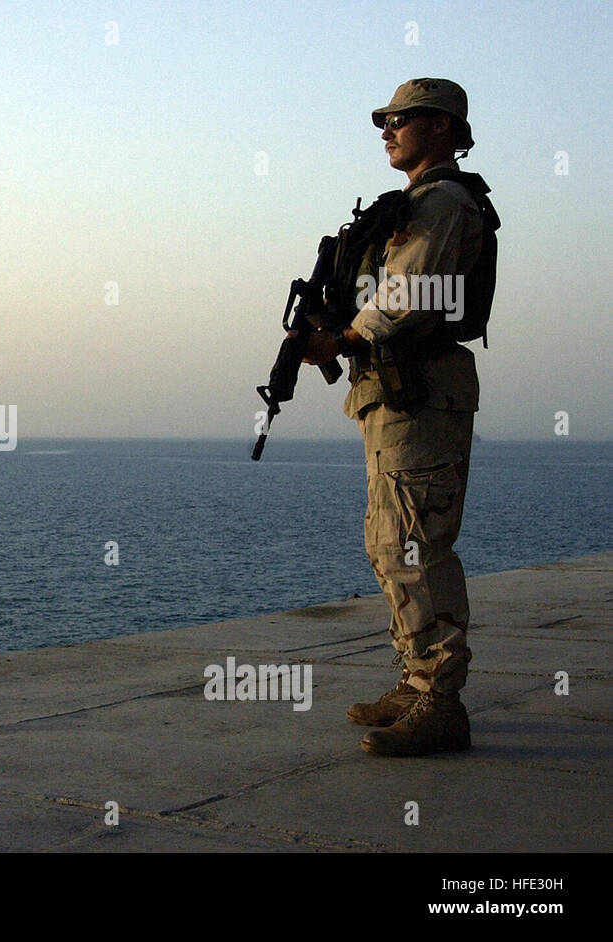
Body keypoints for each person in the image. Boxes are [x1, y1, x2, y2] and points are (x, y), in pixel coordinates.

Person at [301, 78, 490, 756]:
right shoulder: (414, 203)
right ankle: (418, 682)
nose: (387, 128)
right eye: (383, 119)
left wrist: (341, 339)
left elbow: (407, 300)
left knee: (416, 545)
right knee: (390, 544)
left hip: (421, 392)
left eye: (400, 119)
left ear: (441, 127)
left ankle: (442, 701)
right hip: (397, 395)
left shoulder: (441, 202)